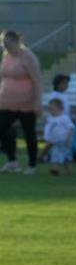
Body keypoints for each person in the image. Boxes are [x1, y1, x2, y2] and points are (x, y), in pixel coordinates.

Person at [0, 29, 42, 175]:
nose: (5, 46)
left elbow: (37, 81)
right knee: (2, 129)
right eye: (3, 43)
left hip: (26, 103)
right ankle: (12, 162)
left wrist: (37, 102)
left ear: (17, 42)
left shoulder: (28, 57)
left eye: (8, 43)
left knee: (29, 133)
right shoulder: (6, 57)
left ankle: (32, 165)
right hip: (7, 102)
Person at [43, 96, 74, 176]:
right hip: (54, 140)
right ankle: (68, 169)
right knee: (61, 155)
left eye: (53, 109)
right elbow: (49, 128)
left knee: (57, 153)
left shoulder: (64, 118)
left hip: (64, 140)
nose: (51, 111)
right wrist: (47, 138)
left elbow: (70, 128)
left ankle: (55, 169)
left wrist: (68, 137)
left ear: (60, 108)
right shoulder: (50, 118)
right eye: (50, 109)